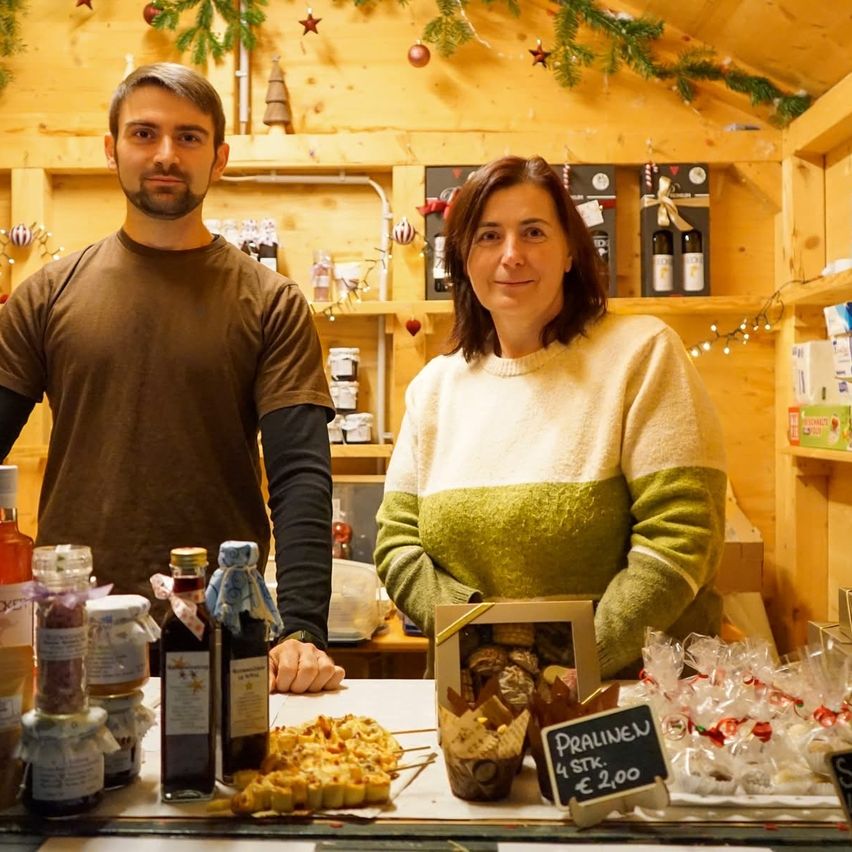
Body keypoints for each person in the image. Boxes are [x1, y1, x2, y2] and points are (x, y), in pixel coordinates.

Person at [0, 63, 344, 694]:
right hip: (72, 627)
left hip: (222, 627)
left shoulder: (270, 301)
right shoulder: (46, 295)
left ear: (219, 159)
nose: (165, 154)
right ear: (112, 150)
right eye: (144, 134)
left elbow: (299, 476)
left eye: (188, 137)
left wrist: (302, 629)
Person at [374, 155, 727, 679]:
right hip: (476, 703)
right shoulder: (435, 387)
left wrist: (575, 668)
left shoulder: (642, 354)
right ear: (464, 260)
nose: (511, 256)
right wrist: (476, 642)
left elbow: (681, 536)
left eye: (533, 232)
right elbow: (397, 543)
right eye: (489, 236)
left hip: (627, 704)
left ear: (569, 252)